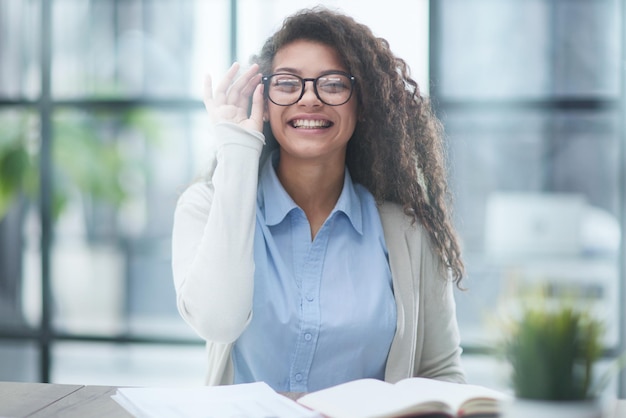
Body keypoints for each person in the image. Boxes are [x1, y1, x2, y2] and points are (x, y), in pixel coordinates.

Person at [172, 6, 466, 392]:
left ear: (362, 104)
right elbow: (218, 322)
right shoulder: (205, 208)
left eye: (332, 84)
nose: (309, 99)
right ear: (263, 101)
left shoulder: (409, 234)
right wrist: (238, 147)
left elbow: (442, 374)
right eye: (287, 84)